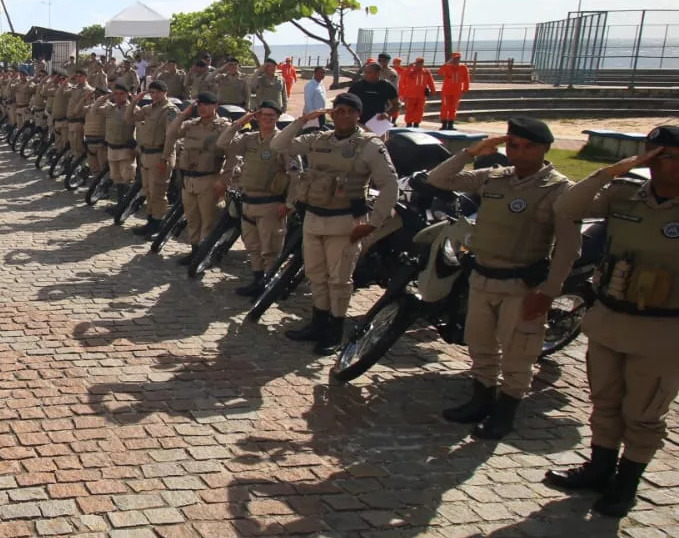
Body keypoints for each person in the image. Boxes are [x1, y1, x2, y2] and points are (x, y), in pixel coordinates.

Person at [545, 124, 679, 516]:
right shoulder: (625, 195)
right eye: (653, 155)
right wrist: (612, 171)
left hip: (662, 330)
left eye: (668, 156)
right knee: (604, 402)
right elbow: (567, 207)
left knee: (643, 413)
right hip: (609, 319)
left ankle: (627, 482)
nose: (658, 165)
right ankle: (599, 467)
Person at [427, 118, 576, 440]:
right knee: (480, 344)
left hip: (522, 284)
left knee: (518, 352)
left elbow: (568, 247)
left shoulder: (559, 189)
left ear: (546, 148)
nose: (519, 154)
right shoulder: (494, 177)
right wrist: (472, 152)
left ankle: (505, 413)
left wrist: (549, 292)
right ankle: (481, 399)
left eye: (528, 147)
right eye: (513, 146)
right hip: (482, 276)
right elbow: (439, 178)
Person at [272, 94, 398, 353]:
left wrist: (373, 223)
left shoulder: (369, 145)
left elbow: (390, 185)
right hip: (314, 217)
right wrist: (303, 120)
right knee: (316, 275)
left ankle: (334, 331)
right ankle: (317, 324)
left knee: (339, 280)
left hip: (345, 221)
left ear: (358, 115)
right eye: (338, 110)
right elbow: (279, 144)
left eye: (349, 111)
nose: (342, 115)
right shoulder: (318, 139)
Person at [219, 102, 291, 296]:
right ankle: (258, 282)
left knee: (270, 250)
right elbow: (223, 143)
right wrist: (242, 121)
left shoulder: (284, 141)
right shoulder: (250, 139)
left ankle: (269, 287)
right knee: (253, 247)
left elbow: (295, 174)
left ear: (277, 118)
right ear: (257, 117)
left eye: (272, 116)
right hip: (248, 201)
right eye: (263, 115)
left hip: (271, 203)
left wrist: (289, 203)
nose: (267, 119)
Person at [166, 93, 230, 256]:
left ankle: (204, 254)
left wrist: (224, 180)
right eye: (199, 105)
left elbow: (233, 156)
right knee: (192, 219)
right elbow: (171, 133)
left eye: (206, 105)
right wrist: (183, 114)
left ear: (216, 105)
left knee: (208, 220)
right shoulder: (191, 125)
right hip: (189, 179)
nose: (202, 108)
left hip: (209, 178)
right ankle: (194, 251)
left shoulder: (222, 127)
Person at [129, 79, 178, 236]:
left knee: (158, 192)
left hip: (160, 154)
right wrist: (134, 101)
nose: (154, 95)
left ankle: (158, 224)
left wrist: (165, 158)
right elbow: (129, 118)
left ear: (165, 93)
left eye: (158, 92)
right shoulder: (148, 108)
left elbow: (171, 136)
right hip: (147, 154)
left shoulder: (170, 110)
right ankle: (151, 221)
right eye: (152, 92)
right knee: (148, 190)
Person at [100, 83, 136, 202]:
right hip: (112, 148)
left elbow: (141, 127)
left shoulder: (133, 109)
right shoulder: (111, 108)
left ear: (127, 95)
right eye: (116, 94)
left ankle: (125, 205)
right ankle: (120, 204)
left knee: (127, 178)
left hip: (126, 149)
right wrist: (107, 96)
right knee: (116, 178)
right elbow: (94, 109)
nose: (118, 97)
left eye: (122, 94)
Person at [399, 56, 436, 127]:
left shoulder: (426, 72)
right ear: (416, 63)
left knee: (419, 110)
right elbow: (403, 77)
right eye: (418, 63)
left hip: (421, 95)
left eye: (421, 62)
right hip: (410, 95)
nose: (420, 64)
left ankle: (416, 124)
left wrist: (433, 91)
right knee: (410, 110)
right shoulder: (410, 71)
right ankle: (409, 124)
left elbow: (431, 82)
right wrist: (409, 68)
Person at [438, 52, 470, 130]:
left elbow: (466, 79)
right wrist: (448, 62)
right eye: (455, 58)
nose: (456, 60)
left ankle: (451, 125)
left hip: (456, 91)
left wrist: (466, 88)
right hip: (446, 91)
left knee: (453, 108)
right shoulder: (447, 67)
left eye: (458, 58)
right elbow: (440, 72)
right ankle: (444, 125)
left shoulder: (463, 68)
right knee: (445, 108)